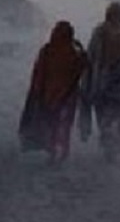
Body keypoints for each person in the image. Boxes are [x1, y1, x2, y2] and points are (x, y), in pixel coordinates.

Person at [80, 2, 120, 161]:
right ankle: (114, 147)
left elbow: (91, 56)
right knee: (114, 116)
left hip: (103, 81)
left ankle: (110, 148)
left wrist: (90, 77)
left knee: (105, 116)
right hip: (116, 84)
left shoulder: (101, 31)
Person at [19, 21, 88, 164]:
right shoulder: (74, 53)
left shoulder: (48, 50)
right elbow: (83, 68)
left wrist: (36, 93)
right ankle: (62, 152)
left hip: (49, 95)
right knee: (64, 125)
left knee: (52, 124)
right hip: (68, 96)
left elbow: (39, 73)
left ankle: (53, 152)